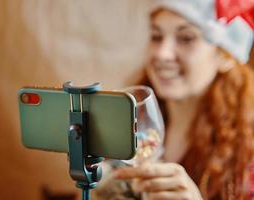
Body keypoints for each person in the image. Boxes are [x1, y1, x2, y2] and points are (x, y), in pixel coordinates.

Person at [94, 0, 254, 199]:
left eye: (186, 38)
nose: (162, 53)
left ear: (226, 56)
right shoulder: (128, 120)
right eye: (156, 36)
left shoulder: (248, 149)